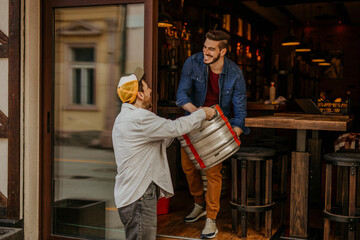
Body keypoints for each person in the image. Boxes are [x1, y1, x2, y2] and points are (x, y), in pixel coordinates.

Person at [112, 68, 216, 240]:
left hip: (131, 196)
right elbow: (174, 128)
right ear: (139, 95)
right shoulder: (139, 118)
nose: (150, 91)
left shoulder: (124, 118)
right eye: (146, 88)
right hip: (139, 197)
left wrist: (180, 128)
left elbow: (165, 135)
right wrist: (201, 113)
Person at [176, 30, 249, 239]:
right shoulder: (193, 62)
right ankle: (199, 203)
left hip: (218, 126)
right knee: (188, 167)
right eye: (205, 46)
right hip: (193, 117)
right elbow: (181, 95)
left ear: (223, 51)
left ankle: (211, 218)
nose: (205, 52)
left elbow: (240, 110)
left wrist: (234, 131)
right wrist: (198, 113)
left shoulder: (235, 73)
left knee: (213, 172)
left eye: (211, 49)